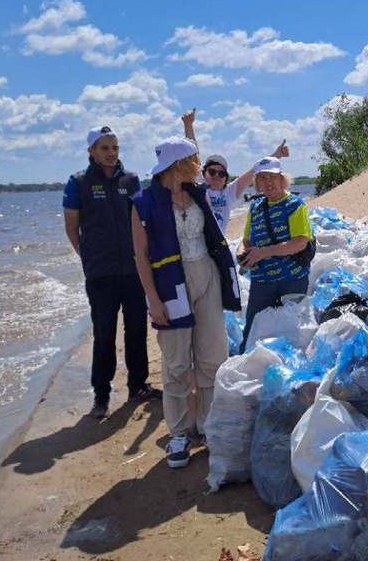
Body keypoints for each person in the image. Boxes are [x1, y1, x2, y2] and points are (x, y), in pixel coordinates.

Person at [129, 136, 242, 468]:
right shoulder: (143, 203)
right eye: (195, 160)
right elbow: (141, 256)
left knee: (213, 354)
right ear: (179, 164)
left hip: (206, 274)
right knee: (177, 361)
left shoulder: (198, 194)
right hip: (170, 284)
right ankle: (179, 433)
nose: (201, 165)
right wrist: (153, 299)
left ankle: (206, 426)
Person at [63, 126, 160, 420]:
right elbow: (71, 227)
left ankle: (138, 385)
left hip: (132, 270)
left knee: (136, 330)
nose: (111, 153)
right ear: (91, 151)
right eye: (104, 148)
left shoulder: (130, 180)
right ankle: (101, 395)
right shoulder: (77, 183)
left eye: (115, 148)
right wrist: (87, 257)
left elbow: (142, 220)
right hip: (100, 274)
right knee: (104, 334)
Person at [236, 156, 313, 353]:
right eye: (262, 178)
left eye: (272, 177)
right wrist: (242, 252)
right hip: (262, 281)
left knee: (293, 330)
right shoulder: (255, 208)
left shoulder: (295, 204)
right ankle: (248, 367)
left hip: (292, 278)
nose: (267, 182)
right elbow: (246, 240)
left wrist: (263, 252)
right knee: (254, 328)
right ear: (257, 183)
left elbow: (300, 242)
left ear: (282, 179)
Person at [180, 107, 289, 234]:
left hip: (217, 246)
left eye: (221, 173)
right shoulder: (200, 187)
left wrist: (277, 155)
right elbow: (193, 157)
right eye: (212, 172)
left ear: (226, 178)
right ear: (204, 173)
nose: (216, 175)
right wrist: (188, 125)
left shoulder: (229, 193)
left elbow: (255, 170)